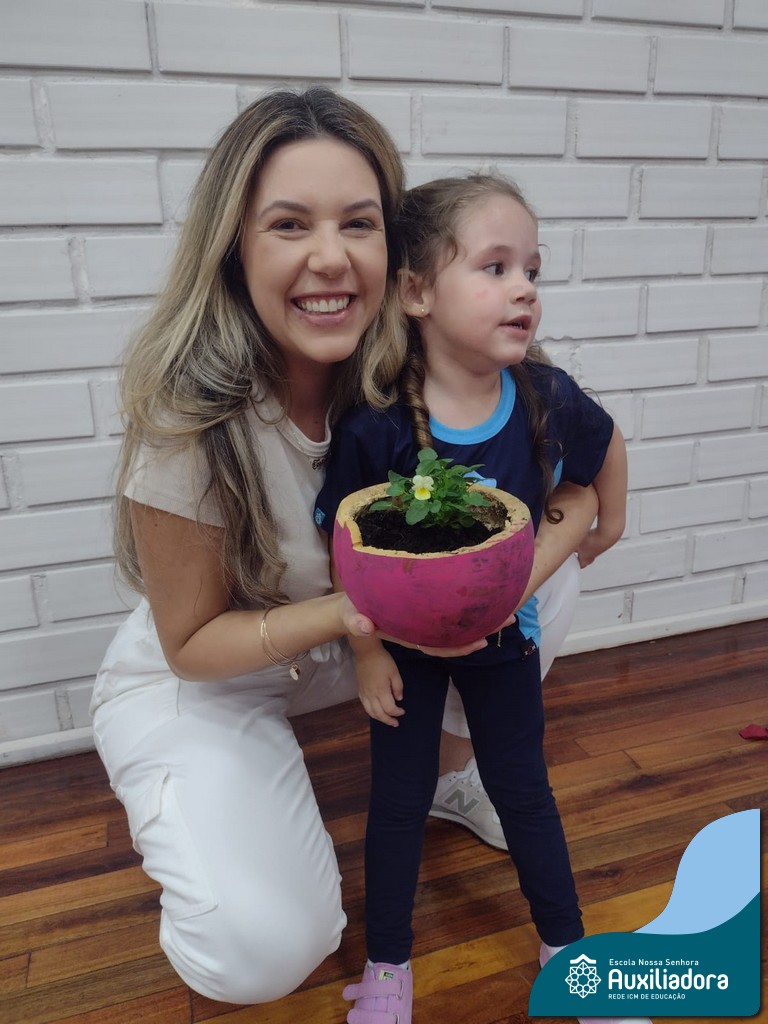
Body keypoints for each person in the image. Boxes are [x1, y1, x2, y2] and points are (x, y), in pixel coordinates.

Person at [90, 89, 596, 1007]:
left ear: (399, 259)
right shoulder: (191, 420)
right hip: (222, 660)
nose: (331, 256)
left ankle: (450, 775)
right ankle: (197, 808)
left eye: (358, 223)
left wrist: (587, 506)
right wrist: (357, 618)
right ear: (234, 248)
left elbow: (571, 449)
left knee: (525, 569)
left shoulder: (424, 367)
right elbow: (191, 643)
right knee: (263, 953)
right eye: (289, 224)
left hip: (364, 639)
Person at [314, 173, 630, 1024]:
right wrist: (367, 650)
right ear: (416, 292)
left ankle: (569, 955)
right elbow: (345, 546)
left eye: (532, 269)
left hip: (506, 648)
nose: (524, 288)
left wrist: (612, 521)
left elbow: (604, 442)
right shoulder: (376, 425)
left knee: (526, 793)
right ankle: (388, 968)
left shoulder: (544, 395)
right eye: (495, 268)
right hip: (403, 656)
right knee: (397, 803)